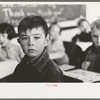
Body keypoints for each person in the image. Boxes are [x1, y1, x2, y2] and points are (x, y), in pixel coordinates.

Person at [12, 15, 64, 82]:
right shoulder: (20, 67)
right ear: (19, 42)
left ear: (46, 41)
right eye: (25, 38)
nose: (31, 43)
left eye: (36, 38)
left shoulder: (53, 73)